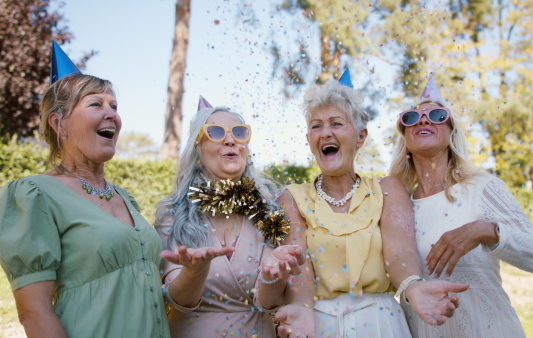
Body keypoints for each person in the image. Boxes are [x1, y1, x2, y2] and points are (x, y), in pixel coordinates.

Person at [270, 70, 470, 338]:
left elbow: (400, 252)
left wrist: (413, 286)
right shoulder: (292, 198)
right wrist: (301, 308)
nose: (326, 132)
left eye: (337, 123)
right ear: (309, 141)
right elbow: (300, 267)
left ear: (361, 136)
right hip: (318, 325)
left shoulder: (387, 190)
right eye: (316, 126)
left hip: (382, 323)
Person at [0, 42, 170, 337]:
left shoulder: (125, 197)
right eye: (95, 104)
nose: (112, 115)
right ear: (59, 122)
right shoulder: (35, 194)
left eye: (114, 106)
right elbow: (33, 312)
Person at [389, 74, 533, 337]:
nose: (423, 119)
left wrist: (486, 231)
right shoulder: (396, 206)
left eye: (437, 115)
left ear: (452, 133)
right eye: (410, 117)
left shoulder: (481, 188)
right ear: (405, 141)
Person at [155, 98, 305, 338]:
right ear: (197, 148)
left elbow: (268, 302)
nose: (230, 139)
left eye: (239, 132)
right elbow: (178, 300)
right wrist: (195, 271)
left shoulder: (267, 208)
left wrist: (271, 276)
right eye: (214, 132)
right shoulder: (173, 211)